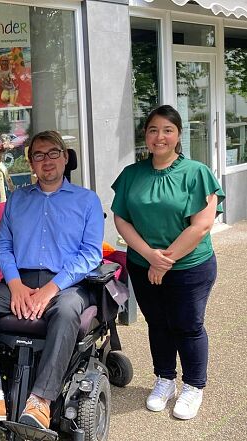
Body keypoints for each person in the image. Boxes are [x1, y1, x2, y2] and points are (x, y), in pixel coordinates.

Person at [0, 130, 104, 430]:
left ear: (64, 158)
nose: (46, 161)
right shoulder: (18, 199)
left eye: (52, 154)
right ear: (31, 164)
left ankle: (41, 402)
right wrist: (15, 285)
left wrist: (50, 290)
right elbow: (3, 247)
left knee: (66, 310)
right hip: (19, 283)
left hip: (66, 285)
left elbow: (90, 255)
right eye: (38, 155)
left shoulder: (86, 200)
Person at [111, 104, 224, 420]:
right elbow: (122, 219)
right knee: (157, 323)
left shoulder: (196, 173)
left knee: (187, 325)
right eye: (153, 130)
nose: (159, 136)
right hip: (142, 263)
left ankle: (193, 386)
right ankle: (165, 379)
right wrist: (149, 256)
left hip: (190, 267)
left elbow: (201, 225)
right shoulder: (132, 174)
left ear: (178, 135)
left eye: (167, 130)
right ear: (145, 135)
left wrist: (164, 261)